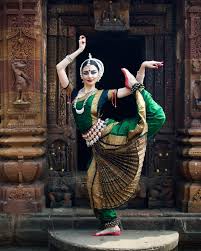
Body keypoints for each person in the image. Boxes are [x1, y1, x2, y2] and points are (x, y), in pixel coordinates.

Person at [56, 35, 165, 236]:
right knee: (91, 183)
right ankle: (110, 223)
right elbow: (59, 68)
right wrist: (79, 52)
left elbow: (132, 89)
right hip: (97, 146)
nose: (89, 75)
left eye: (93, 72)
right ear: (81, 75)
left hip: (110, 134)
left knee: (154, 118)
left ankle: (110, 222)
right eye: (86, 72)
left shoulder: (104, 94)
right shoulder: (73, 94)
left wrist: (140, 69)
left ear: (99, 76)